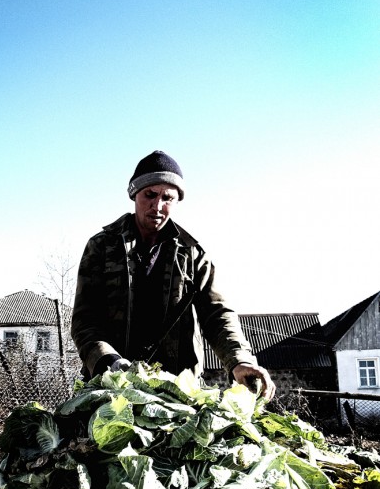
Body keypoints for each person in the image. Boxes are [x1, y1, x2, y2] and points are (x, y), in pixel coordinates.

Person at [71, 150, 276, 400]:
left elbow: (217, 314)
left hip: (177, 393)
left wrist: (239, 360)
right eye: (150, 195)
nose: (157, 206)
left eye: (168, 198)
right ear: (134, 194)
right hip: (110, 389)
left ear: (177, 200)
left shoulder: (193, 254)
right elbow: (85, 321)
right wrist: (109, 362)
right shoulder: (102, 247)